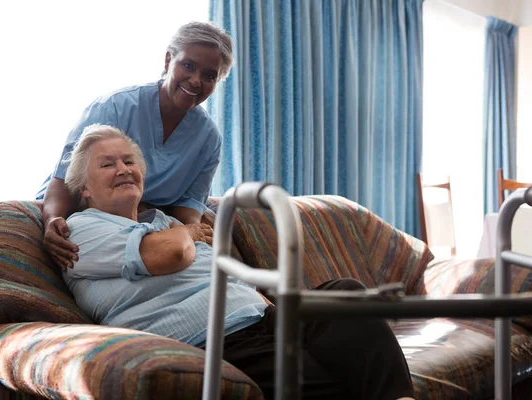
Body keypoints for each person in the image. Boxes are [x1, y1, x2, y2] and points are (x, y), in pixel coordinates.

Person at [61, 124, 416, 400]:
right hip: (212, 339)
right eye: (107, 164)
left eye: (128, 161)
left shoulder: (161, 222)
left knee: (347, 296)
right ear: (85, 188)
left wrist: (183, 233)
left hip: (262, 317)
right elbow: (170, 254)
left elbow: (216, 269)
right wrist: (187, 231)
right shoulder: (82, 229)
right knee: (341, 380)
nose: (123, 169)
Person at [37, 21, 232, 271]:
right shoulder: (114, 107)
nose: (196, 81)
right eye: (188, 66)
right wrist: (53, 219)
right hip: (89, 218)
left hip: (148, 227)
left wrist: (190, 233)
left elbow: (189, 207)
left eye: (209, 76)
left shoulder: (208, 138)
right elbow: (64, 180)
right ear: (168, 60)